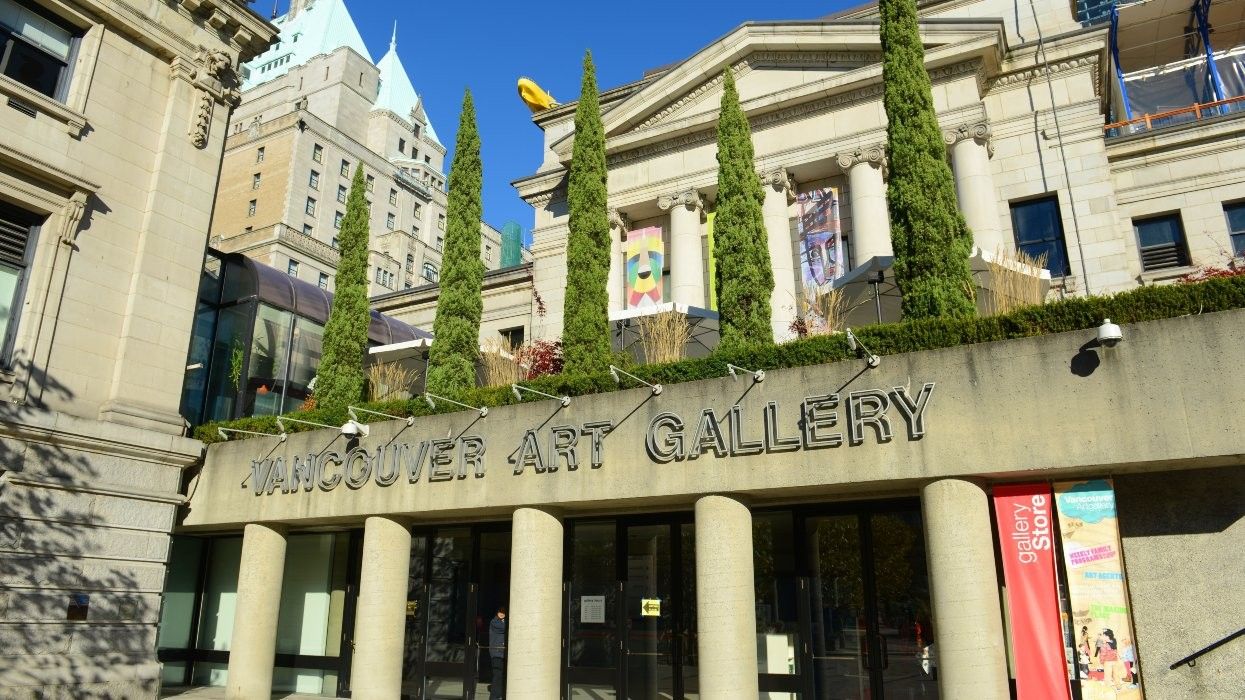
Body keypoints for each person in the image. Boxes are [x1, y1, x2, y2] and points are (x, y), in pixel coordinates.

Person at [489, 604, 507, 700]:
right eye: (500, 611)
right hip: (497, 653)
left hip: (502, 653)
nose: (502, 613)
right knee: (497, 676)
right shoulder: (494, 622)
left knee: (501, 676)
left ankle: (499, 694)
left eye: (503, 612)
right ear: (497, 612)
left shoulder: (502, 621)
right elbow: (504, 628)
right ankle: (494, 697)